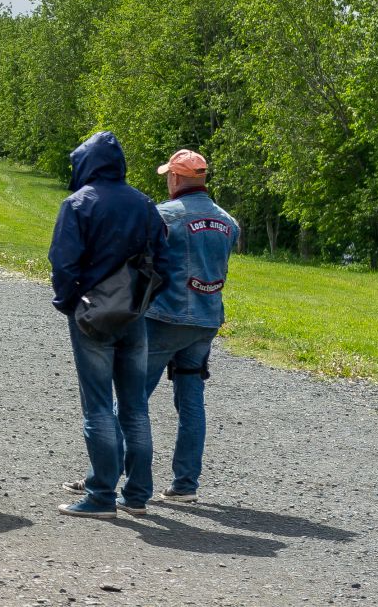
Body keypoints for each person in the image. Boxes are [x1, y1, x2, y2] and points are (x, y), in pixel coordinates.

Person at [48, 130, 182, 518]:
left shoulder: (78, 204)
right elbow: (164, 263)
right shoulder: (144, 203)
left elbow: (64, 263)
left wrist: (70, 304)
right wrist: (142, 301)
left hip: (92, 314)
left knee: (98, 407)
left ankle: (101, 495)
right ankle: (137, 495)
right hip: (134, 314)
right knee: (135, 407)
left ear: (86, 163)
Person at [141, 149, 239, 503]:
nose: (167, 180)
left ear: (177, 178)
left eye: (169, 175)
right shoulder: (229, 222)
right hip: (207, 318)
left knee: (133, 398)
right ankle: (185, 484)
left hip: (165, 318)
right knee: (191, 400)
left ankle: (111, 477)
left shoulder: (163, 217)